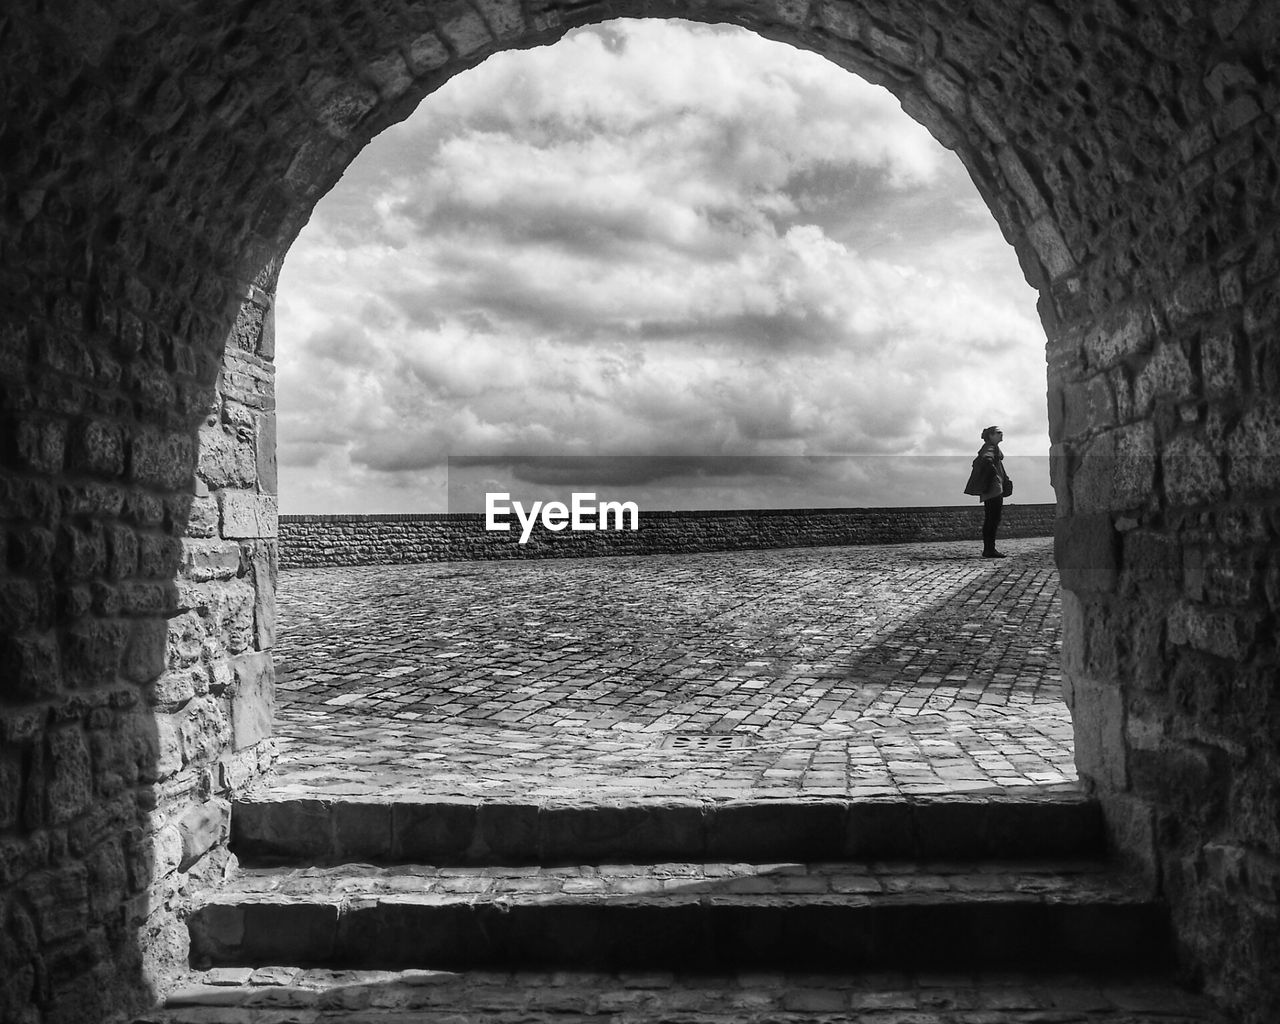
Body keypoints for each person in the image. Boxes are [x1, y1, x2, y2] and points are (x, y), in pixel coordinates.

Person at [963, 425, 1010, 558]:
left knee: (991, 518)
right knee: (993, 519)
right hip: (993, 489)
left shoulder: (992, 447)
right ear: (991, 435)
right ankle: (989, 549)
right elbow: (986, 458)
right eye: (998, 432)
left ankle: (989, 549)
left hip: (992, 488)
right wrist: (995, 476)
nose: (1002, 434)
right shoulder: (990, 447)